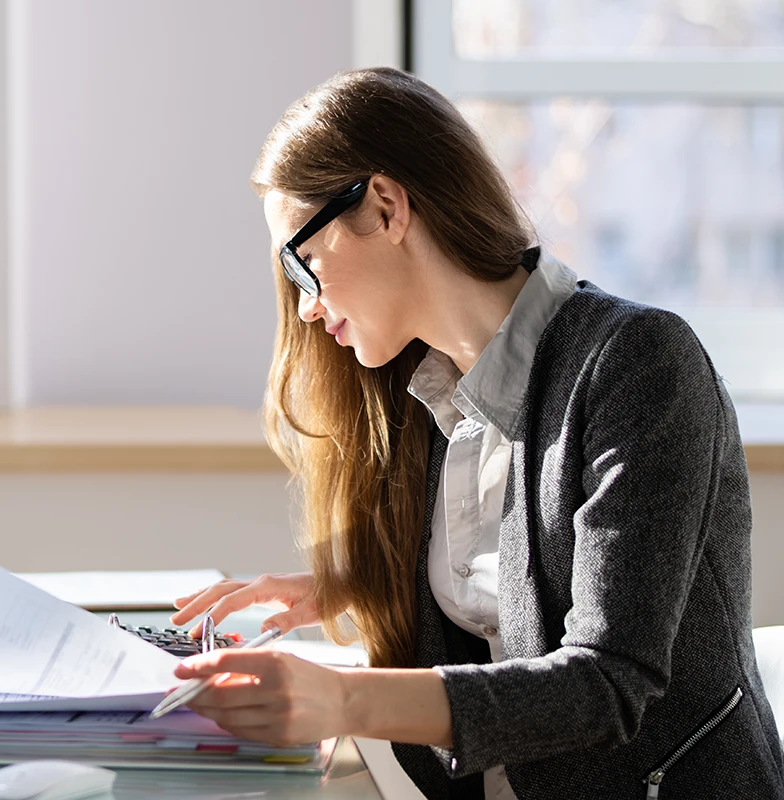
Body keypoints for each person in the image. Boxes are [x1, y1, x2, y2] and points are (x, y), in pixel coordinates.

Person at [168, 67, 784, 799]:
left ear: (388, 207)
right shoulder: (424, 396)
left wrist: (338, 696)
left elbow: (607, 684)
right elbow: (511, 593)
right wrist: (355, 585)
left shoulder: (640, 364)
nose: (304, 308)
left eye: (303, 264)